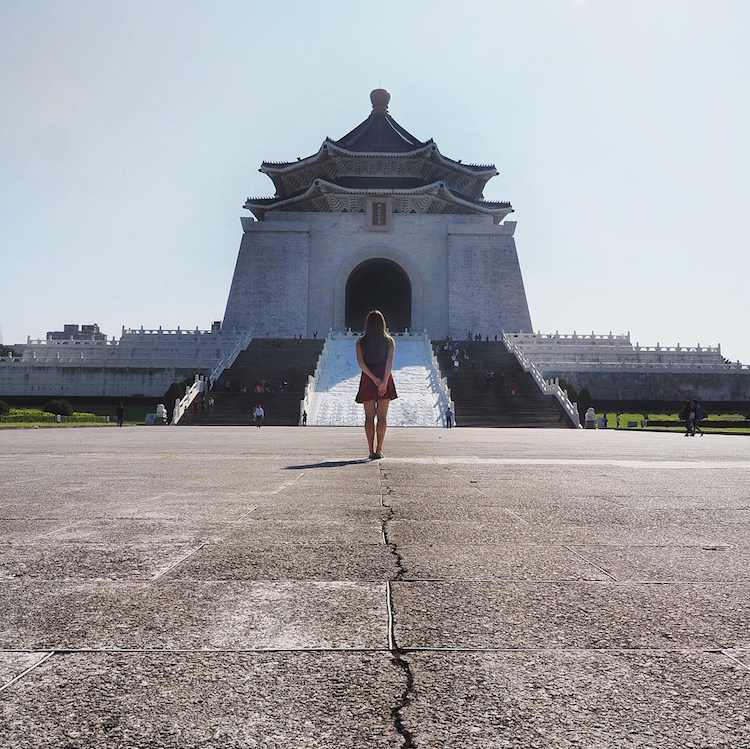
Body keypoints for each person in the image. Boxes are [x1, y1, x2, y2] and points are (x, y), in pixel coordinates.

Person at [355, 309, 398, 460]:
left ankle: (370, 449)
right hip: (384, 376)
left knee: (369, 417)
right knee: (382, 416)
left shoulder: (361, 342)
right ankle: (379, 449)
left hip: (368, 378)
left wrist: (373, 379)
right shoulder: (389, 341)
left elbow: (361, 363)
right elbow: (390, 361)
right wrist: (384, 380)